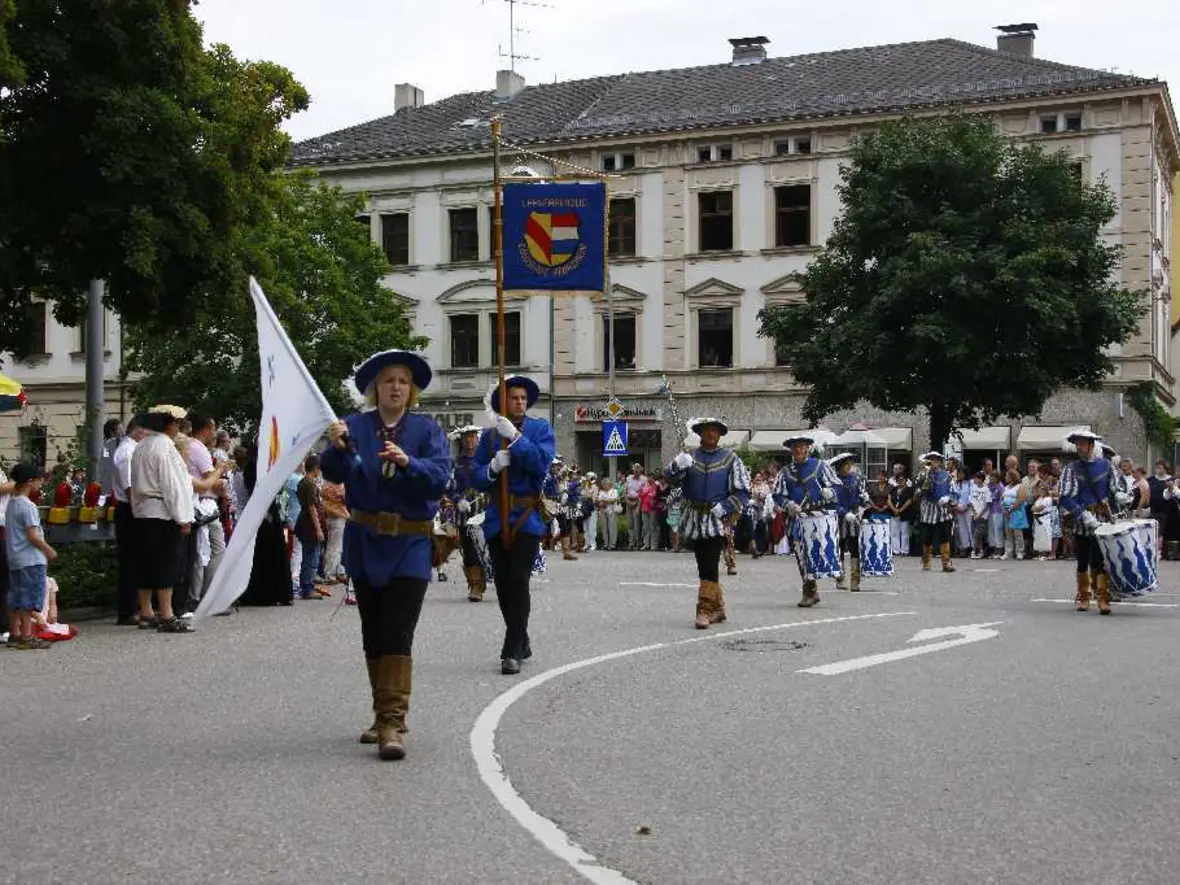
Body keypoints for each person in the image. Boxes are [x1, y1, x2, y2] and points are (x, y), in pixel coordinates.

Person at [322, 349, 451, 760]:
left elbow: (440, 476)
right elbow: (333, 473)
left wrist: (409, 462)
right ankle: (380, 715)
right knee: (373, 631)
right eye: (388, 380)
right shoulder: (355, 425)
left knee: (398, 629)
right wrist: (335, 446)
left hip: (411, 542)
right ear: (374, 387)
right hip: (365, 538)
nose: (395, 386)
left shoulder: (426, 429)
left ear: (411, 390)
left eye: (402, 380)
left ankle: (394, 722)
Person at [472, 375, 556, 675]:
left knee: (519, 581)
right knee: (504, 585)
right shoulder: (490, 435)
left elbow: (541, 463)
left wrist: (518, 442)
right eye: (514, 398)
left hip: (526, 516)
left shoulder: (540, 429)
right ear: (503, 402)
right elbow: (475, 476)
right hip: (497, 517)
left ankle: (511, 650)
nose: (519, 402)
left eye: (523, 398)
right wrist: (493, 467)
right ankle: (521, 637)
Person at [666, 418, 750, 627]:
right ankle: (718, 607)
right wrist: (677, 465)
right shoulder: (689, 457)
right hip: (694, 519)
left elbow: (743, 491)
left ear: (720, 434)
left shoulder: (731, 459)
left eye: (714, 431)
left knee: (709, 563)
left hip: (717, 519)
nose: (711, 434)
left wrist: (726, 506)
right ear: (700, 434)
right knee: (703, 563)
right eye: (706, 430)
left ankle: (703, 609)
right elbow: (670, 479)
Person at [131, 409, 196, 633]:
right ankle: (167, 614)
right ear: (167, 425)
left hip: (142, 510)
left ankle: (147, 611)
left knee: (145, 563)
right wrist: (183, 517)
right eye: (176, 423)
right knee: (166, 562)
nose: (178, 426)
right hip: (161, 510)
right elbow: (172, 485)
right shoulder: (165, 447)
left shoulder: (141, 446)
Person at [772, 435, 839, 607]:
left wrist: (830, 492)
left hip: (820, 515)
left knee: (822, 550)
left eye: (802, 447)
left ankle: (836, 575)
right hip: (799, 518)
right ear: (791, 451)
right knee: (802, 555)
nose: (799, 450)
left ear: (808, 448)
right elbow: (777, 495)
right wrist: (788, 504)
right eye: (795, 448)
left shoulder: (821, 466)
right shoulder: (785, 472)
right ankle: (809, 590)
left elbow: (837, 486)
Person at [1058, 430, 1116, 614]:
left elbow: (1117, 489)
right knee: (1082, 561)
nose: (1079, 447)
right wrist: (1082, 514)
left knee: (1100, 561)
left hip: (1102, 522)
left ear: (1092, 445)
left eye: (1082, 443)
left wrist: (1122, 496)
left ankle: (1103, 599)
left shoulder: (1107, 466)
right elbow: (1064, 496)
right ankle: (1083, 596)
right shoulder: (1071, 468)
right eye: (1077, 444)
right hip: (1082, 521)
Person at [5, 462, 57, 650]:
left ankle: (15, 633)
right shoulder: (28, 506)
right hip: (31, 559)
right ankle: (27, 635)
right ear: (30, 481)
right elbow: (33, 536)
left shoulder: (11, 504)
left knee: (15, 596)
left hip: (15, 558)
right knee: (29, 597)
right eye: (38, 479)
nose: (41, 483)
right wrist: (48, 549)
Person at [111, 417, 148, 625]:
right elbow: (130, 487)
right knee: (130, 561)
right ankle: (128, 609)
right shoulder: (127, 453)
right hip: (129, 508)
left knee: (137, 560)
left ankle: (137, 606)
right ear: (138, 431)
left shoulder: (134, 450)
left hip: (134, 507)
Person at [447, 425, 487, 602]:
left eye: (473, 437)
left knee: (484, 548)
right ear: (462, 440)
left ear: (478, 439)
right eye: (466, 438)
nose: (470, 441)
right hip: (464, 510)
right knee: (469, 548)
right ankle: (474, 584)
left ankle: (484, 581)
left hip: (484, 508)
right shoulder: (456, 462)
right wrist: (457, 500)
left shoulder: (485, 459)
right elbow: (449, 486)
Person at [830, 453, 868, 592]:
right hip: (840, 518)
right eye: (846, 465)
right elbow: (832, 503)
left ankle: (855, 581)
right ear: (840, 467)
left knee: (854, 548)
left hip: (853, 517)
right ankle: (840, 579)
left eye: (850, 465)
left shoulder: (856, 479)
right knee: (839, 548)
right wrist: (844, 513)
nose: (849, 467)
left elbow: (860, 498)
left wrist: (863, 498)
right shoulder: (834, 482)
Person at [915, 452, 956, 573]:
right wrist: (920, 489)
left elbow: (953, 491)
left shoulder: (947, 475)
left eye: (937, 460)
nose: (935, 462)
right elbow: (918, 489)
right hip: (929, 507)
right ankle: (926, 560)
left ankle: (946, 562)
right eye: (933, 460)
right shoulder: (923, 474)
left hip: (943, 508)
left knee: (945, 535)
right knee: (928, 536)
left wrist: (948, 498)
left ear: (940, 462)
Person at [294, 454, 326, 601]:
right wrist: (318, 528)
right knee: (312, 557)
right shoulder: (310, 483)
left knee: (308, 555)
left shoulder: (302, 482)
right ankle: (308, 587)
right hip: (309, 524)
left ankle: (306, 585)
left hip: (303, 521)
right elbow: (312, 507)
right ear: (316, 468)